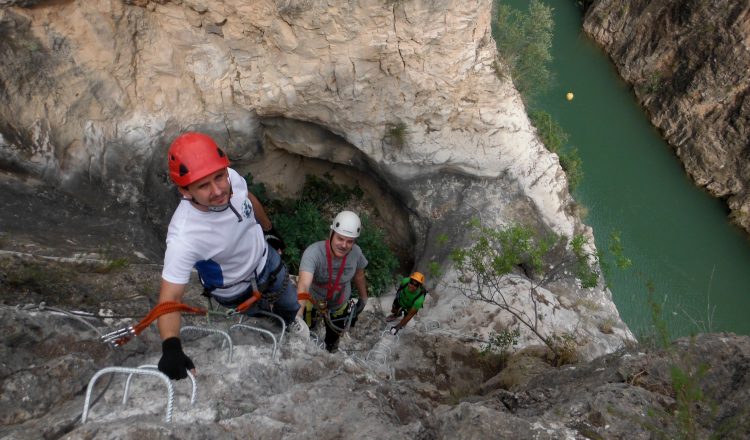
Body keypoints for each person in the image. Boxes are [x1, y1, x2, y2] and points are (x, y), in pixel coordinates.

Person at [157, 132, 299, 380]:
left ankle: (293, 325)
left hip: (267, 262)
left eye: (219, 177)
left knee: (290, 305)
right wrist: (171, 347)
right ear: (185, 190)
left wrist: (269, 230)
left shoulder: (230, 178)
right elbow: (170, 297)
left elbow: (248, 200)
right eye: (203, 185)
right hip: (237, 290)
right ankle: (279, 335)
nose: (218, 190)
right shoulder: (185, 236)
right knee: (264, 323)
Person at [295, 210, 369, 353]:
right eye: (340, 239)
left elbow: (359, 275)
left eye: (349, 241)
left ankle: (330, 350)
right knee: (307, 331)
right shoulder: (314, 253)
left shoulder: (356, 253)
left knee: (333, 338)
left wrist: (363, 298)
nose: (344, 245)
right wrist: (298, 316)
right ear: (331, 234)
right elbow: (303, 285)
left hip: (339, 304)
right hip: (313, 301)